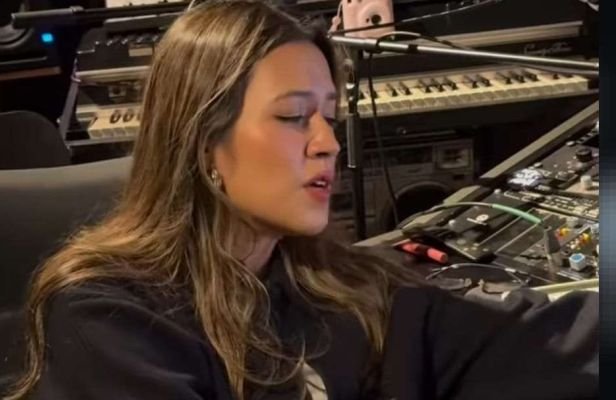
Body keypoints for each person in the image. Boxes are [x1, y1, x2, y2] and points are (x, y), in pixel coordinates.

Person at [4, 1, 598, 399]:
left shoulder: (344, 286)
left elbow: (545, 340)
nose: (327, 143)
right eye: (294, 117)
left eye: (329, 118)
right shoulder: (108, 320)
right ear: (204, 142)